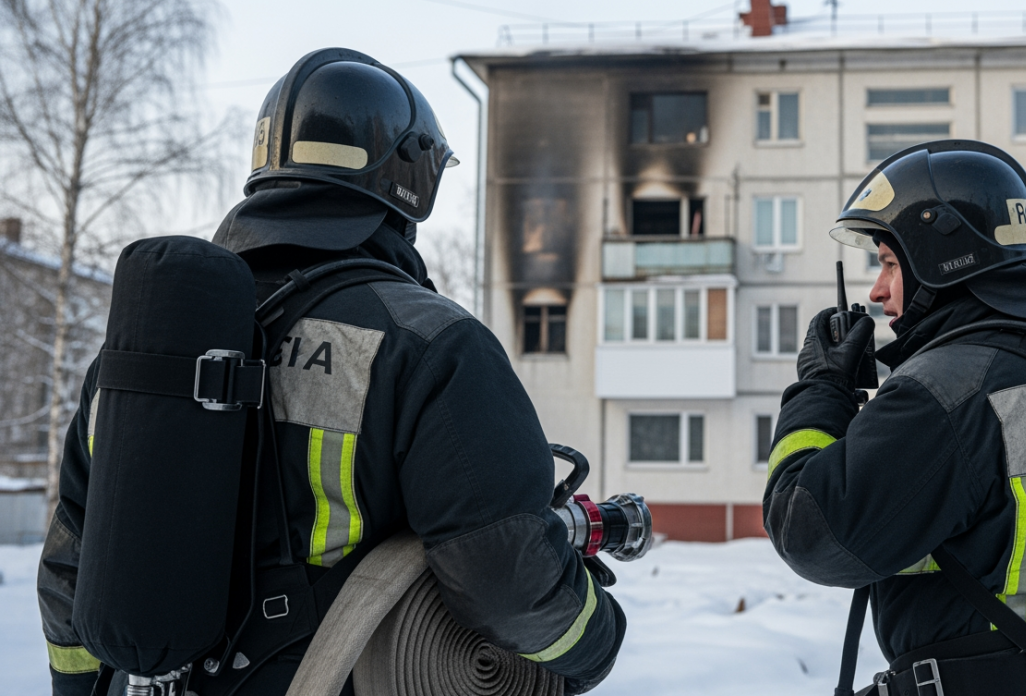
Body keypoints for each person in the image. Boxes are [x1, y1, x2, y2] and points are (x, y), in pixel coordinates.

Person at [38, 48, 624, 696]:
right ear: (411, 177)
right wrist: (598, 635)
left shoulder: (144, 355)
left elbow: (68, 565)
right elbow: (508, 582)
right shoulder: (429, 343)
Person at [764, 140, 1026, 695]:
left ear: (941, 257)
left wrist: (821, 388)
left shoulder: (950, 389)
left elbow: (809, 532)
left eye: (888, 262)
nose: (877, 290)